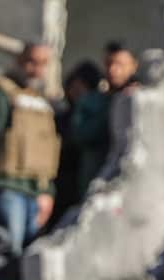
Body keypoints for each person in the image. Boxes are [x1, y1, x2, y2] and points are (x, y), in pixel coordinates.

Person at [0, 43, 62, 256]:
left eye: (43, 64)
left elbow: (47, 150)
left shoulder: (42, 102)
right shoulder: (1, 96)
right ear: (20, 61)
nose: (37, 70)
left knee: (30, 258)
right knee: (8, 255)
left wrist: (48, 193)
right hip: (8, 190)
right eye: (32, 62)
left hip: (37, 193)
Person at [56, 60, 109, 217]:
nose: (76, 91)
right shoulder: (62, 118)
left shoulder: (97, 113)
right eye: (74, 86)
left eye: (82, 87)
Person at [98, 43, 141, 182]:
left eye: (120, 64)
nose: (113, 70)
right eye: (109, 64)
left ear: (134, 66)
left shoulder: (134, 98)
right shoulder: (97, 99)